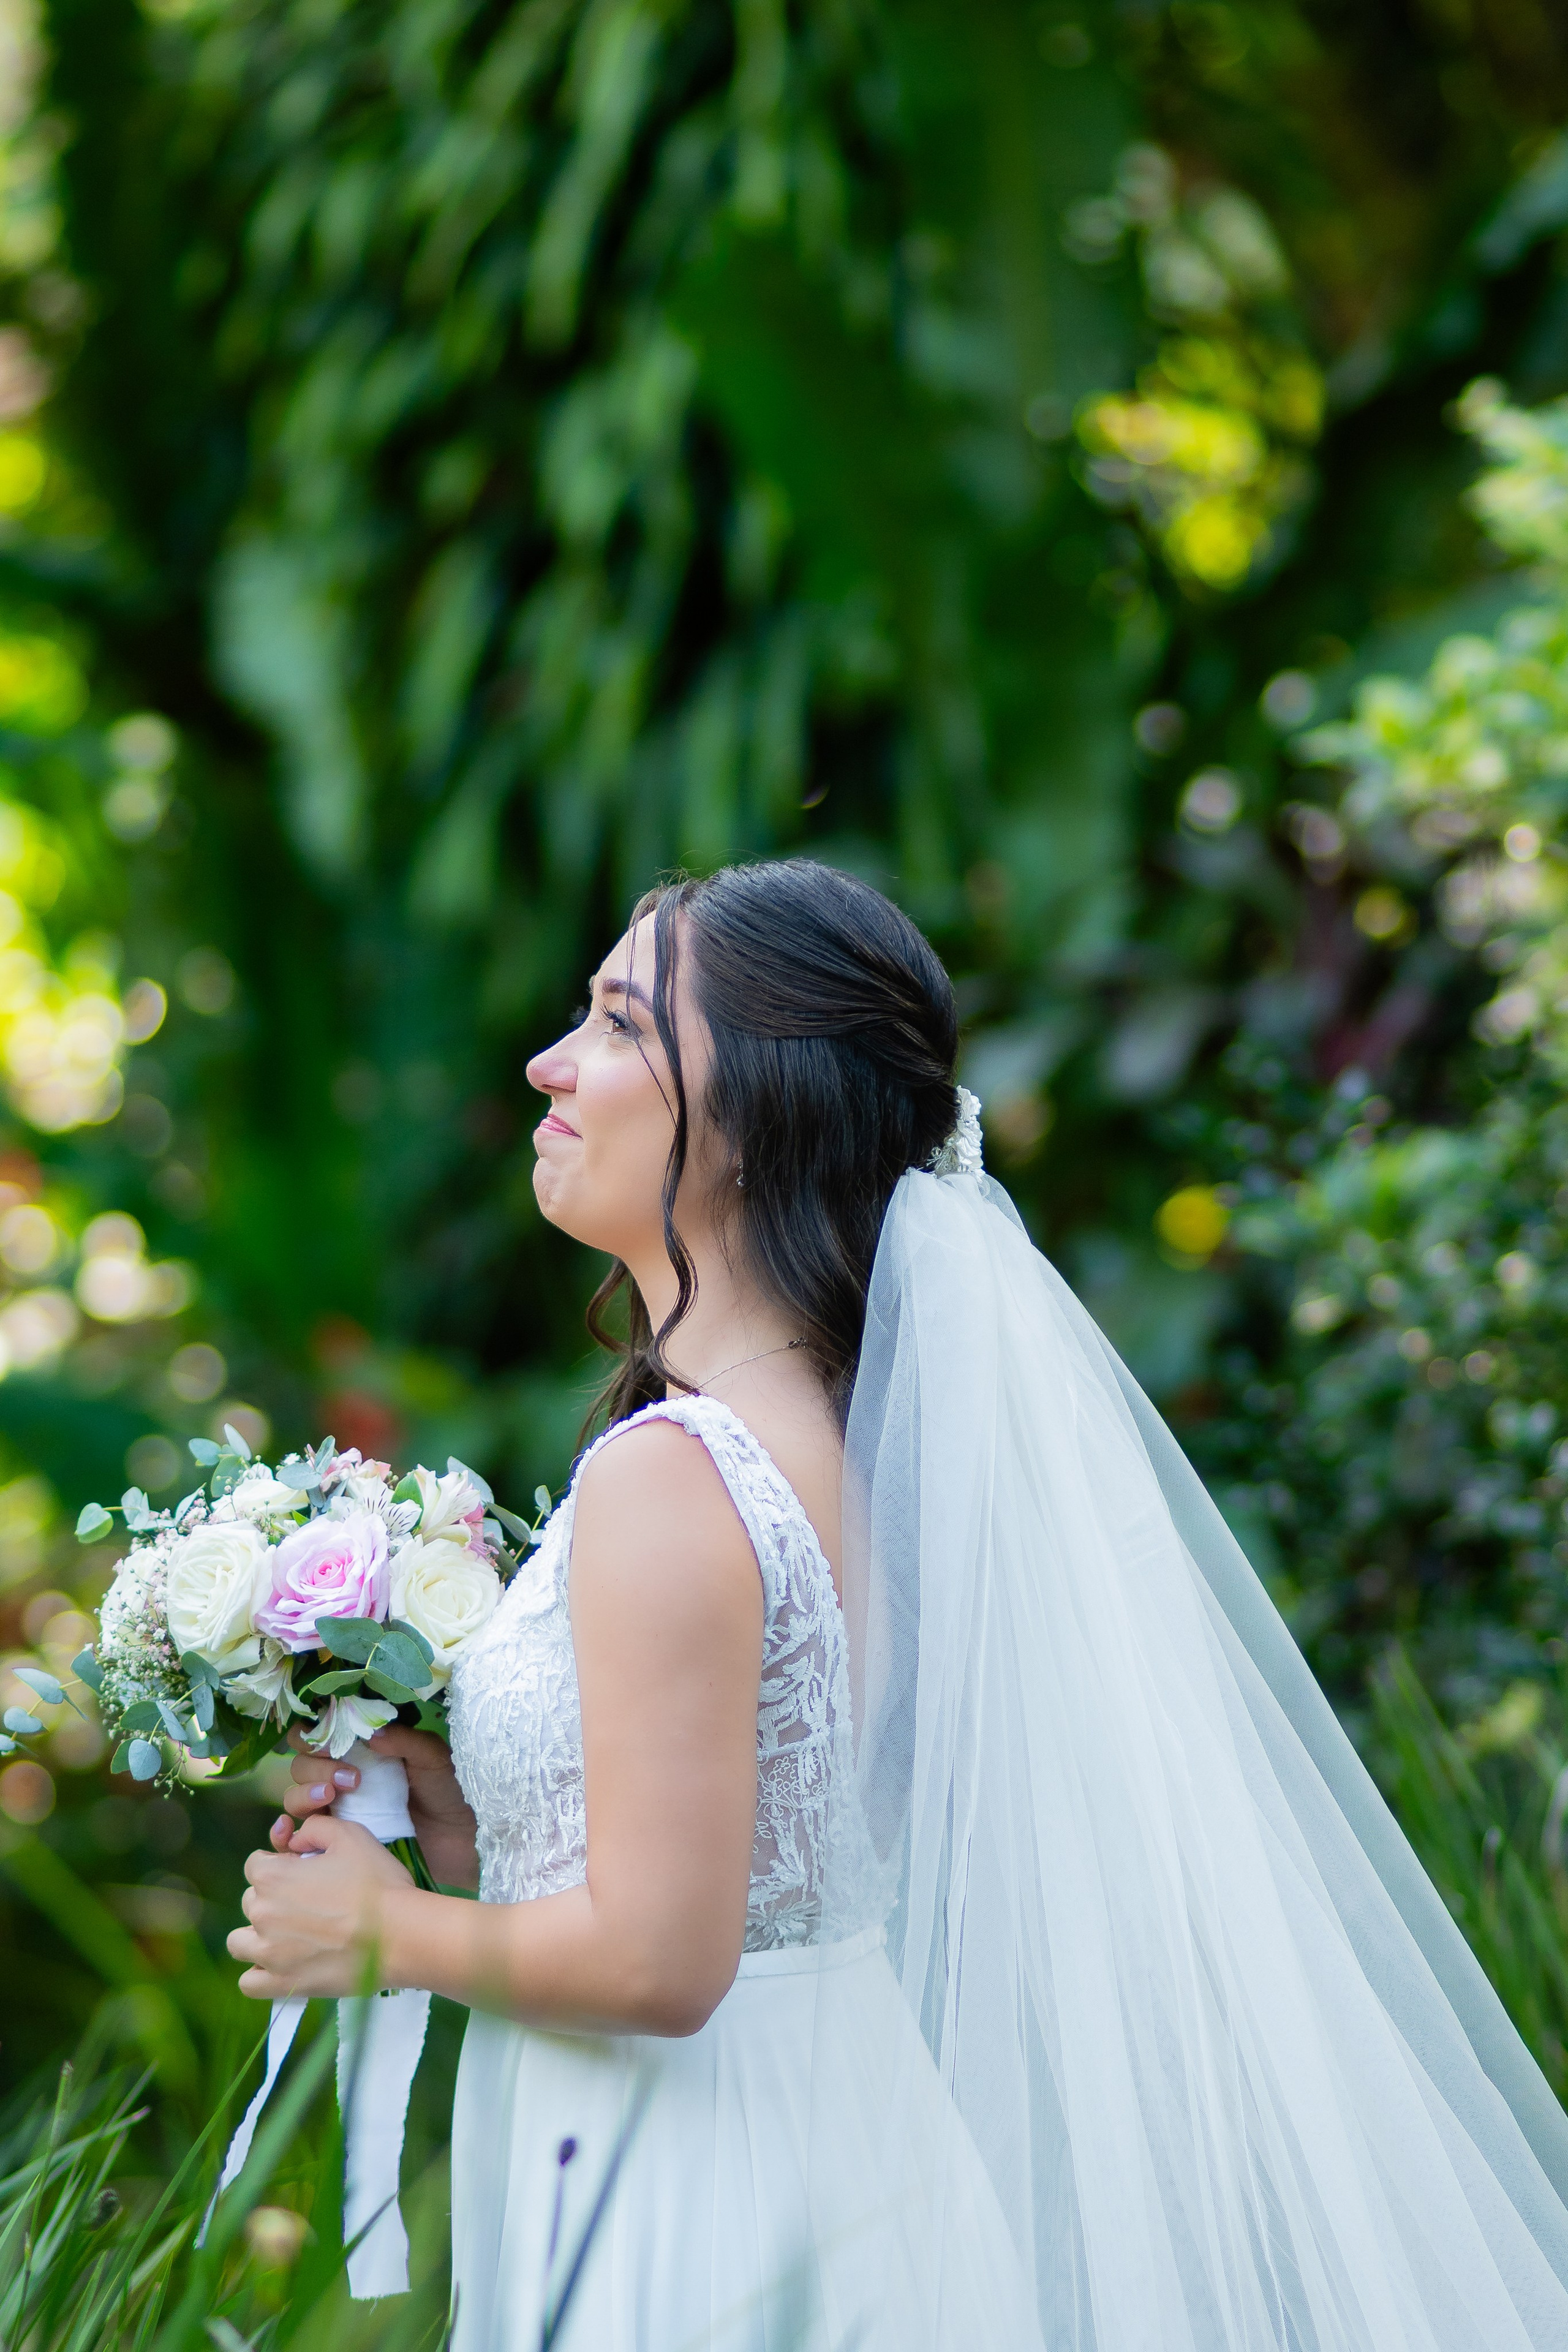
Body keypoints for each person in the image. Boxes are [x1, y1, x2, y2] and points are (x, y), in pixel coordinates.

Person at [229, 859, 1568, 2350]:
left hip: (695, 2183)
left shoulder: (675, 1476)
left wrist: (378, 1937)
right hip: (826, 2132)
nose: (549, 1062)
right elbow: (762, 1847)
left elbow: (664, 1965)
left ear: (749, 1120)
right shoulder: (838, 1435)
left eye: (617, 1024)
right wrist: (471, 1820)